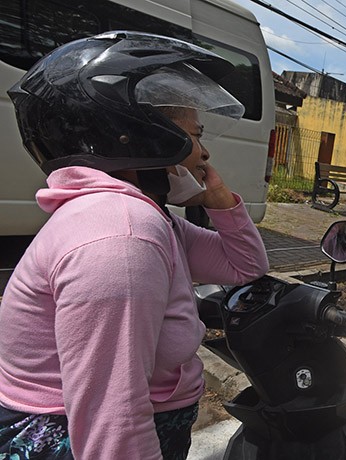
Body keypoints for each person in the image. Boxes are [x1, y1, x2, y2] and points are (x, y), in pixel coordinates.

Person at [0, 31, 269, 459]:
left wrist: (221, 202)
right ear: (139, 133)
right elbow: (112, 417)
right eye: (196, 136)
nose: (204, 155)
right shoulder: (122, 234)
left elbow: (245, 266)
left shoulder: (152, 221)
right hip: (70, 438)